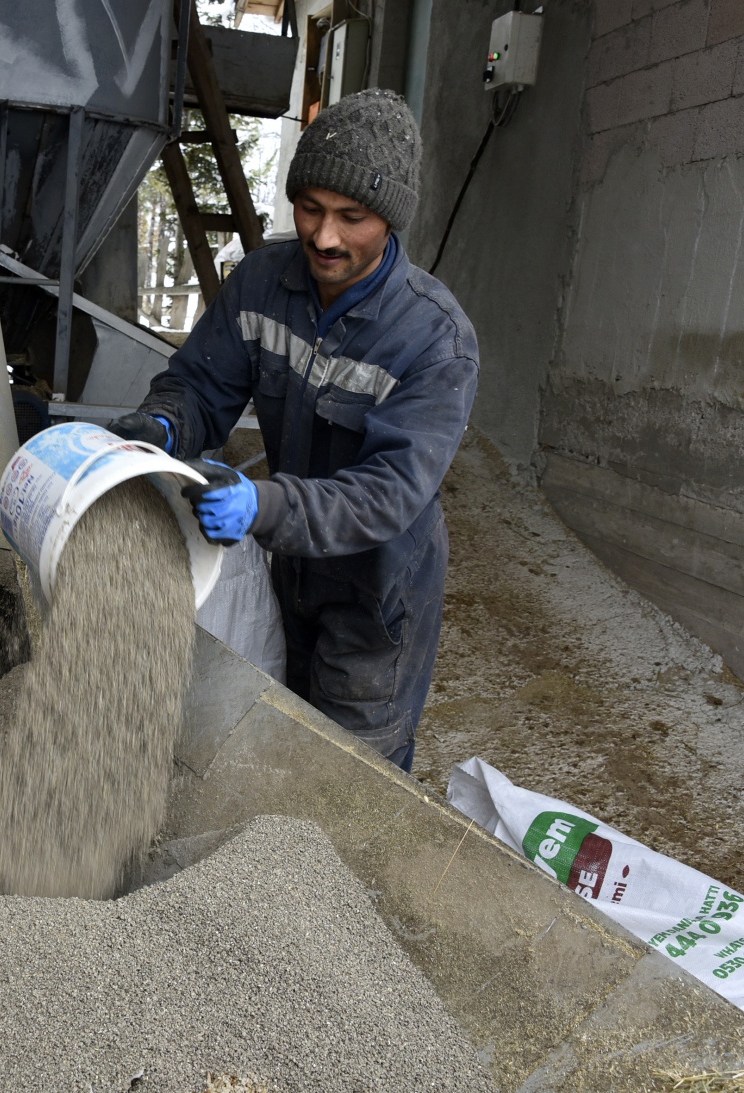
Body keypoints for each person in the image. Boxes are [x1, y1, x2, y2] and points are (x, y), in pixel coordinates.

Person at [108, 89, 478, 774]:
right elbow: (200, 385)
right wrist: (163, 423)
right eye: (309, 207)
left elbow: (388, 494)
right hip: (294, 576)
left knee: (349, 779)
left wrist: (263, 504)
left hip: (378, 600)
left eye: (351, 217)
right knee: (276, 738)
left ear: (389, 222)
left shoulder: (434, 341)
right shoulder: (262, 283)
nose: (325, 236)